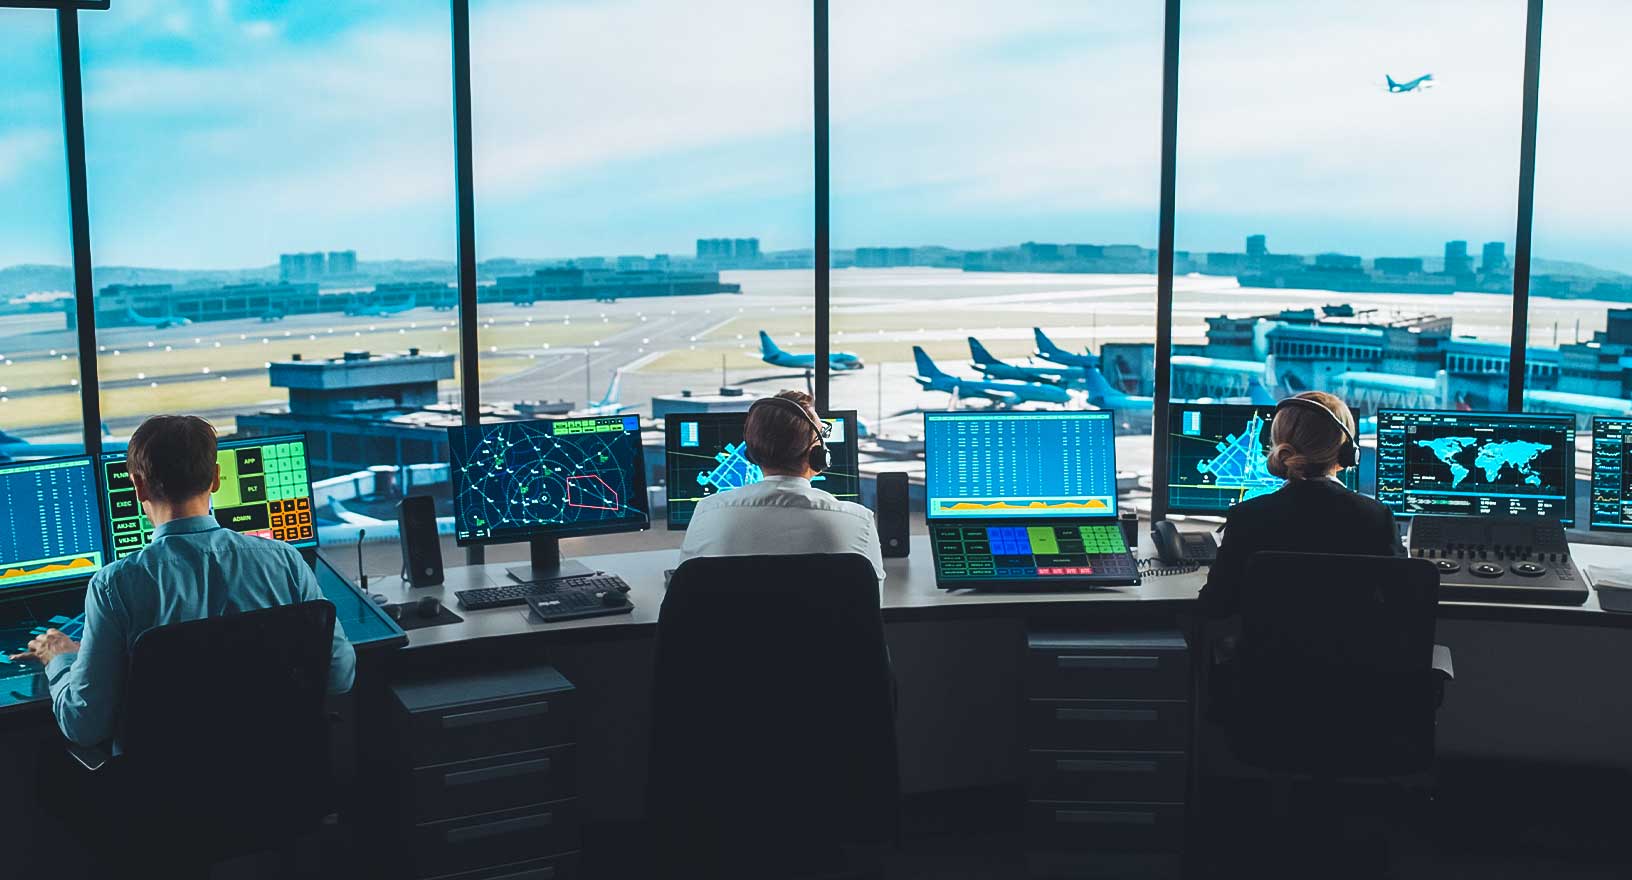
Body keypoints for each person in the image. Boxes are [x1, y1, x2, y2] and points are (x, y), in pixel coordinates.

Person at [11, 415, 356, 750]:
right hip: (282, 783)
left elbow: (84, 725)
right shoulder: (285, 562)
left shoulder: (115, 586)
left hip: (168, 798)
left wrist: (60, 659)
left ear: (138, 485)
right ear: (217, 478)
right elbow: (340, 677)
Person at [1198, 391, 1404, 618]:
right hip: (1353, 653)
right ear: (1347, 453)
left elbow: (1215, 604)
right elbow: (1401, 602)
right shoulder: (1377, 518)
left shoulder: (1247, 517)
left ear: (1279, 444)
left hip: (1268, 653)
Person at [680, 390, 887, 583]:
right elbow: (872, 601)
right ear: (818, 454)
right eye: (822, 435)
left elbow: (686, 591)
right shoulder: (859, 522)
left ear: (751, 453)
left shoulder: (707, 513)